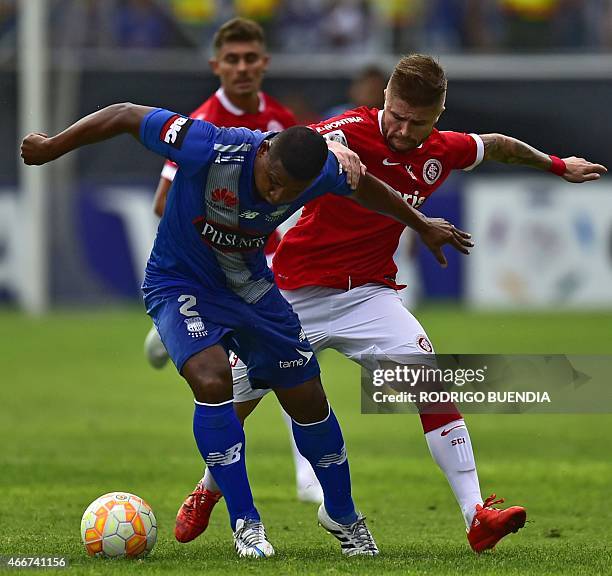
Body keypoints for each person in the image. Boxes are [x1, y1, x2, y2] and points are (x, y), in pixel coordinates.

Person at [173, 54, 607, 553]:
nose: (402, 131)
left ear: (438, 114)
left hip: (369, 295)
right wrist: (334, 147)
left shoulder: (443, 149)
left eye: (417, 122)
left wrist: (558, 165)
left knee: (430, 379)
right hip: (293, 294)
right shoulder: (352, 127)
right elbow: (314, 139)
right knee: (238, 402)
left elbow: (501, 146)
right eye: (396, 116)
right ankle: (207, 492)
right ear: (384, 99)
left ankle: (475, 515)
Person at [21, 101, 474, 558]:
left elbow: (367, 188)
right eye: (272, 181)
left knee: (308, 398)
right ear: (265, 152)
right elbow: (124, 115)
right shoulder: (209, 145)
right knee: (213, 378)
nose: (277, 195)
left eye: (289, 191)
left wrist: (421, 224)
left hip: (250, 286)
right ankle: (246, 523)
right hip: (181, 282)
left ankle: (343, 514)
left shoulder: (316, 174)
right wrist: (52, 145)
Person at [141, 16, 325, 508]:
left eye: (251, 59)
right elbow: (164, 201)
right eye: (233, 60)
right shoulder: (201, 122)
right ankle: (224, 488)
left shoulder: (280, 118)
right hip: (210, 271)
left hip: (262, 273)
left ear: (264, 63)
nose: (242, 69)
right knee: (248, 373)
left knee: (288, 361)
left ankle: (300, 479)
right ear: (216, 66)